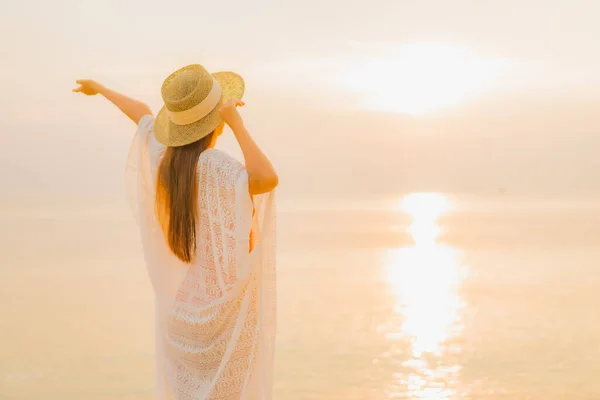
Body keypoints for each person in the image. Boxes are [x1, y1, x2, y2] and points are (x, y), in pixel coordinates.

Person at [73, 64, 278, 399]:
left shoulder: (165, 160)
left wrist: (100, 87)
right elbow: (266, 177)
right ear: (215, 121)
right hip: (226, 314)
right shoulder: (215, 166)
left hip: (184, 313)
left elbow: (140, 112)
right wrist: (236, 123)